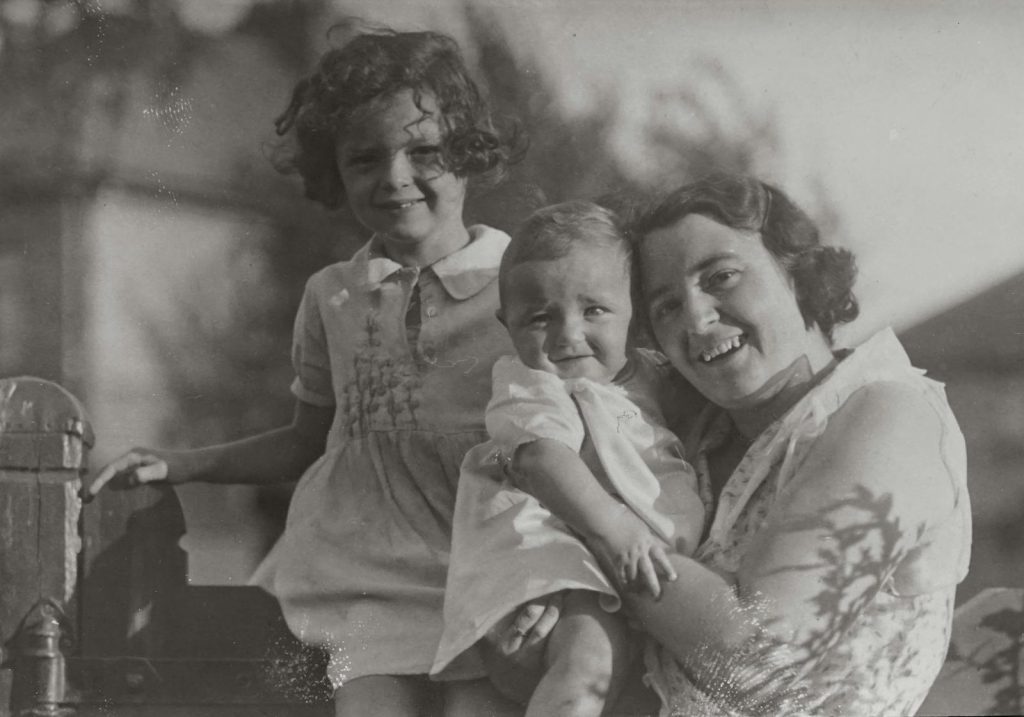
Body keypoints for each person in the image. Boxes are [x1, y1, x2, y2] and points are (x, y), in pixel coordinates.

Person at [85, 25, 528, 717]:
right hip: (371, 583)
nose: (395, 177)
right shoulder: (335, 295)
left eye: (424, 152)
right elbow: (308, 438)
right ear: (334, 173)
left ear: (467, 154)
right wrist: (182, 463)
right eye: (364, 159)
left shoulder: (522, 285)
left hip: (493, 574)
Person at [616, 172, 971, 715]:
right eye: (664, 306)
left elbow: (756, 667)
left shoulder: (887, 414)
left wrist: (597, 528)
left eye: (722, 277)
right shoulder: (685, 439)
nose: (695, 316)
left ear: (799, 275)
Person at [430, 201, 705, 717]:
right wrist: (617, 526)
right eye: (539, 318)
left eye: (593, 310)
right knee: (590, 661)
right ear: (506, 325)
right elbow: (541, 460)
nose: (567, 334)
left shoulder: (653, 378)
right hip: (551, 570)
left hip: (621, 578)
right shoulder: (533, 384)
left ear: (635, 312)